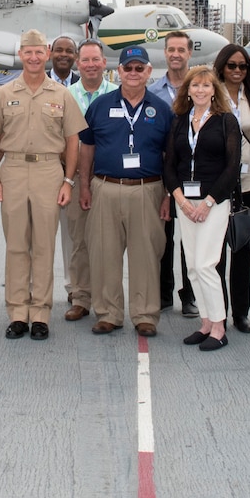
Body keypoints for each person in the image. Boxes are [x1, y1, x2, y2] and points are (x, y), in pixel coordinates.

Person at [0, 29, 87, 340]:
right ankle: (17, 312)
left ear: (47, 53)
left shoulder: (62, 94)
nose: (33, 57)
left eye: (38, 51)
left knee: (44, 246)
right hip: (12, 170)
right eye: (27, 52)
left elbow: (72, 140)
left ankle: (40, 313)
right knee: (16, 245)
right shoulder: (4, 92)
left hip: (48, 173)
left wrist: (68, 180)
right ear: (21, 55)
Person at [77, 46, 172, 337]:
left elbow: (170, 155)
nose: (133, 73)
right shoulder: (101, 105)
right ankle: (109, 313)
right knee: (104, 253)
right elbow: (87, 147)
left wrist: (168, 194)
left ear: (147, 72)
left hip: (148, 190)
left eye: (138, 68)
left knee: (146, 255)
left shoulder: (162, 109)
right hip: (105, 187)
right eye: (127, 68)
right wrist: (84, 185)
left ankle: (145, 314)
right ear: (118, 72)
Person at [162, 67, 241, 350]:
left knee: (206, 264)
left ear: (214, 90)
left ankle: (219, 327)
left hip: (214, 203)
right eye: (195, 85)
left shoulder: (226, 122)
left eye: (206, 86)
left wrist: (208, 203)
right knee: (193, 267)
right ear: (187, 90)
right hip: (186, 204)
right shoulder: (180, 122)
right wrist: (181, 201)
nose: (200, 90)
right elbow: (169, 165)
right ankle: (205, 323)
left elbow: (232, 168)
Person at [57, 38, 114, 321]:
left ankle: (106, 297)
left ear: (104, 62)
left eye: (96, 59)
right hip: (76, 177)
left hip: (108, 179)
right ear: (78, 64)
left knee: (108, 241)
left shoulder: (118, 93)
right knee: (78, 240)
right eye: (86, 60)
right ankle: (80, 296)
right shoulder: (64, 95)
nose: (91, 65)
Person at [214, 42, 250, 333]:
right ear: (222, 66)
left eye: (242, 66)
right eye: (231, 65)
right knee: (217, 248)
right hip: (219, 181)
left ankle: (241, 312)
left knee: (243, 245)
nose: (236, 71)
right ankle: (218, 309)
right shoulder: (210, 93)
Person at [149, 30, 192, 312]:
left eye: (181, 49)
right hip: (162, 173)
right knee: (162, 237)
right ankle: (163, 294)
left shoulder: (202, 88)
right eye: (171, 49)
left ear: (190, 53)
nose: (175, 54)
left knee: (191, 240)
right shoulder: (151, 91)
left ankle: (189, 296)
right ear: (165, 53)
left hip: (193, 174)